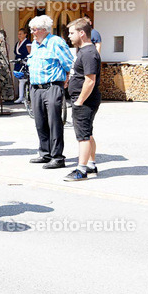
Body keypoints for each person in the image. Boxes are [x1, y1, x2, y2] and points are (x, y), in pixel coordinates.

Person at [27, 15, 74, 169]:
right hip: (36, 88)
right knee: (40, 122)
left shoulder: (56, 42)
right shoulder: (35, 44)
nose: (32, 32)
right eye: (31, 29)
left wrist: (66, 79)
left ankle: (57, 157)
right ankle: (45, 153)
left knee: (54, 123)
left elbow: (68, 63)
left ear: (44, 30)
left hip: (52, 86)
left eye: (34, 30)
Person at [64, 18, 101, 182]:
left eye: (72, 33)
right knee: (88, 133)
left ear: (82, 33)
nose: (69, 37)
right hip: (83, 99)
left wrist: (79, 101)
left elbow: (90, 80)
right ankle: (92, 165)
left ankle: (81, 170)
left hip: (85, 101)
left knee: (83, 136)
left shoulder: (88, 53)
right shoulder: (84, 51)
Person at [13, 27, 32, 103]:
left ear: (25, 34)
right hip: (18, 62)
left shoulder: (28, 43)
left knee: (27, 80)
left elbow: (30, 53)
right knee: (20, 80)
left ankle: (29, 97)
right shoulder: (17, 43)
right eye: (18, 34)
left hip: (25, 62)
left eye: (21, 34)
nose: (19, 35)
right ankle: (21, 97)